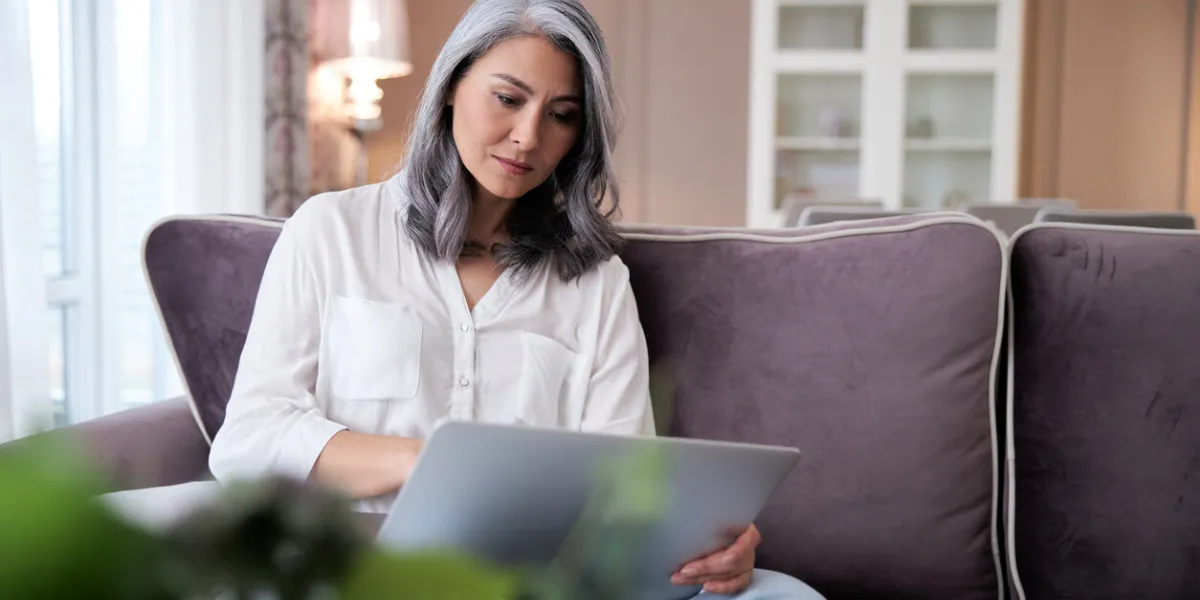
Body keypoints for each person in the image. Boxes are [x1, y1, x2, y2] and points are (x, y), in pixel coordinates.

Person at [208, 1, 824, 598]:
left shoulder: (596, 284)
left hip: (527, 582)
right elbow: (250, 438)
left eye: (561, 114)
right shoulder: (330, 232)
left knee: (782, 592)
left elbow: (625, 484)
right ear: (452, 85)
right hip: (356, 569)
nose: (528, 137)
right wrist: (431, 462)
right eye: (508, 99)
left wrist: (709, 545)